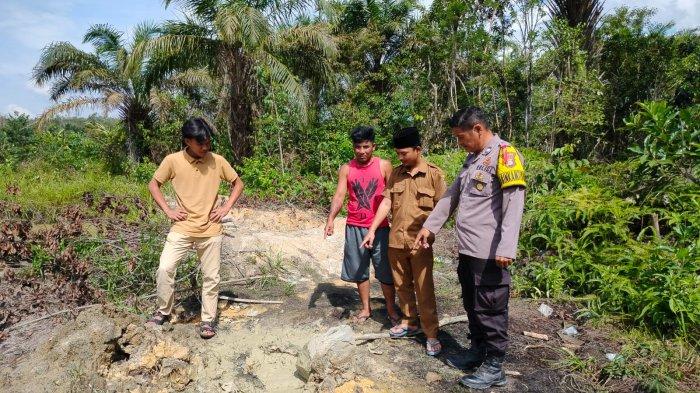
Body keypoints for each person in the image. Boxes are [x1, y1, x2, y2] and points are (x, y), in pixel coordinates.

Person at [414, 107, 526, 389]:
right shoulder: (473, 158)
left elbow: (514, 205)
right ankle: (477, 350)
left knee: (490, 308)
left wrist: (507, 247)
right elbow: (452, 196)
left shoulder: (505, 155)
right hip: (469, 249)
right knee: (472, 303)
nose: (459, 143)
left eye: (461, 137)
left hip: (491, 252)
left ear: (478, 128)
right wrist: (430, 226)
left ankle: (495, 365)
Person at [146, 118, 244, 339]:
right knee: (165, 268)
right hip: (181, 228)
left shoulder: (217, 160)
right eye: (201, 144)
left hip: (211, 230)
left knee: (211, 277)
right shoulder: (172, 161)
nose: (206, 147)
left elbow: (238, 183)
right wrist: (168, 211)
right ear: (187, 141)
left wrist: (226, 207)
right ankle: (163, 312)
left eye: (208, 143)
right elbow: (154, 184)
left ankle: (207, 320)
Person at [360, 126, 446, 356]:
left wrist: (431, 232)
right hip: (396, 241)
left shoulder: (434, 174)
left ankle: (431, 334)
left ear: (417, 150)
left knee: (424, 289)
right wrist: (372, 230)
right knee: (402, 287)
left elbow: (443, 209)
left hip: (420, 244)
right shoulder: (396, 174)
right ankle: (410, 322)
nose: (400, 157)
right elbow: (386, 204)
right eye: (398, 154)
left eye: (404, 153)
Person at [324, 126, 400, 325]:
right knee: (359, 271)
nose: (362, 151)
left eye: (366, 146)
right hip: (355, 226)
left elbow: (392, 197)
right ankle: (366, 308)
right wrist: (331, 218)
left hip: (381, 227)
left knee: (384, 271)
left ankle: (391, 310)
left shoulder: (384, 166)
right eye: (358, 147)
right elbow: (340, 195)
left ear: (373, 146)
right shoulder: (347, 168)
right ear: (353, 148)